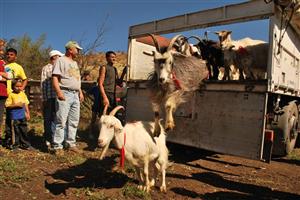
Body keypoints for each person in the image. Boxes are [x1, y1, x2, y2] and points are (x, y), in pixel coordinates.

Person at [52, 41, 84, 155]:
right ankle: (57, 146)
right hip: (65, 93)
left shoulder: (75, 63)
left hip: (75, 94)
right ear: (70, 49)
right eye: (77, 49)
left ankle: (71, 143)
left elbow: (76, 79)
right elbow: (55, 77)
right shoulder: (60, 60)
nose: (78, 51)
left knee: (74, 120)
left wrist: (80, 92)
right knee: (61, 120)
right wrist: (59, 92)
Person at [3, 48, 28, 147]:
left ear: (15, 56)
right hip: (5, 95)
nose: (9, 56)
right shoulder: (3, 66)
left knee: (19, 120)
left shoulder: (18, 67)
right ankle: (10, 140)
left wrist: (21, 88)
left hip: (15, 96)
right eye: (8, 54)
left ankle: (21, 141)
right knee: (8, 119)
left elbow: (24, 79)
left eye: (12, 54)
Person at [41, 50, 64, 148]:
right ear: (54, 57)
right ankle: (48, 138)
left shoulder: (62, 67)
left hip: (59, 97)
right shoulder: (47, 68)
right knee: (48, 118)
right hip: (50, 97)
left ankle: (57, 138)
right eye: (59, 57)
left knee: (58, 118)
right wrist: (44, 98)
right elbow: (43, 84)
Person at [5, 79, 32, 150]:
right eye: (17, 86)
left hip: (22, 116)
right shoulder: (11, 95)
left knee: (23, 130)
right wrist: (16, 105)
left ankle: (25, 144)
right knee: (15, 131)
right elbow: (7, 105)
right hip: (14, 117)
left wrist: (27, 113)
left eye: (20, 86)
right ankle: (15, 145)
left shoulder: (22, 94)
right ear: (12, 87)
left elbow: (25, 103)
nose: (19, 88)